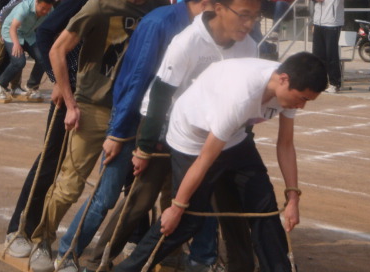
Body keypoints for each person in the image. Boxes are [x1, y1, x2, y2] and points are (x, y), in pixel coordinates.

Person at [28, 0, 170, 272]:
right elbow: (57, 49)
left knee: (108, 195)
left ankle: (72, 251)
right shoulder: (101, 4)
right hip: (93, 108)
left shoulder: (160, 5)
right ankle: (41, 240)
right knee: (69, 185)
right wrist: (71, 99)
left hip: (131, 114)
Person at [113, 52, 327, 272]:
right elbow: (206, 158)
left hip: (233, 137)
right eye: (302, 98)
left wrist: (293, 198)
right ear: (283, 79)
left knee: (265, 209)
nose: (302, 106)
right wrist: (176, 207)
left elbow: (285, 144)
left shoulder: (291, 84)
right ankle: (128, 269)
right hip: (193, 139)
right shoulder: (241, 96)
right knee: (186, 220)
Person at [4, 0, 117, 259]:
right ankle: (21, 229)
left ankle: (136, 234)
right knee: (52, 160)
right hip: (73, 91)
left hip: (109, 96)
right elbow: (46, 31)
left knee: (120, 166)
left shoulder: (142, 2)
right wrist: (58, 80)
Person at [311, 0, 370, 93]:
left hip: (332, 22)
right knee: (318, 55)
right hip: (318, 22)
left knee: (331, 55)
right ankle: (321, 82)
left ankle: (335, 83)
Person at [0, 0, 55, 100]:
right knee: (19, 62)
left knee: (43, 58)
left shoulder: (50, 10)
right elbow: (13, 27)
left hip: (29, 35)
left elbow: (51, 28)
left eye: (48, 9)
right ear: (37, 2)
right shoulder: (24, 7)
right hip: (11, 33)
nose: (45, 12)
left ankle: (31, 86)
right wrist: (16, 44)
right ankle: (0, 84)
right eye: (43, 8)